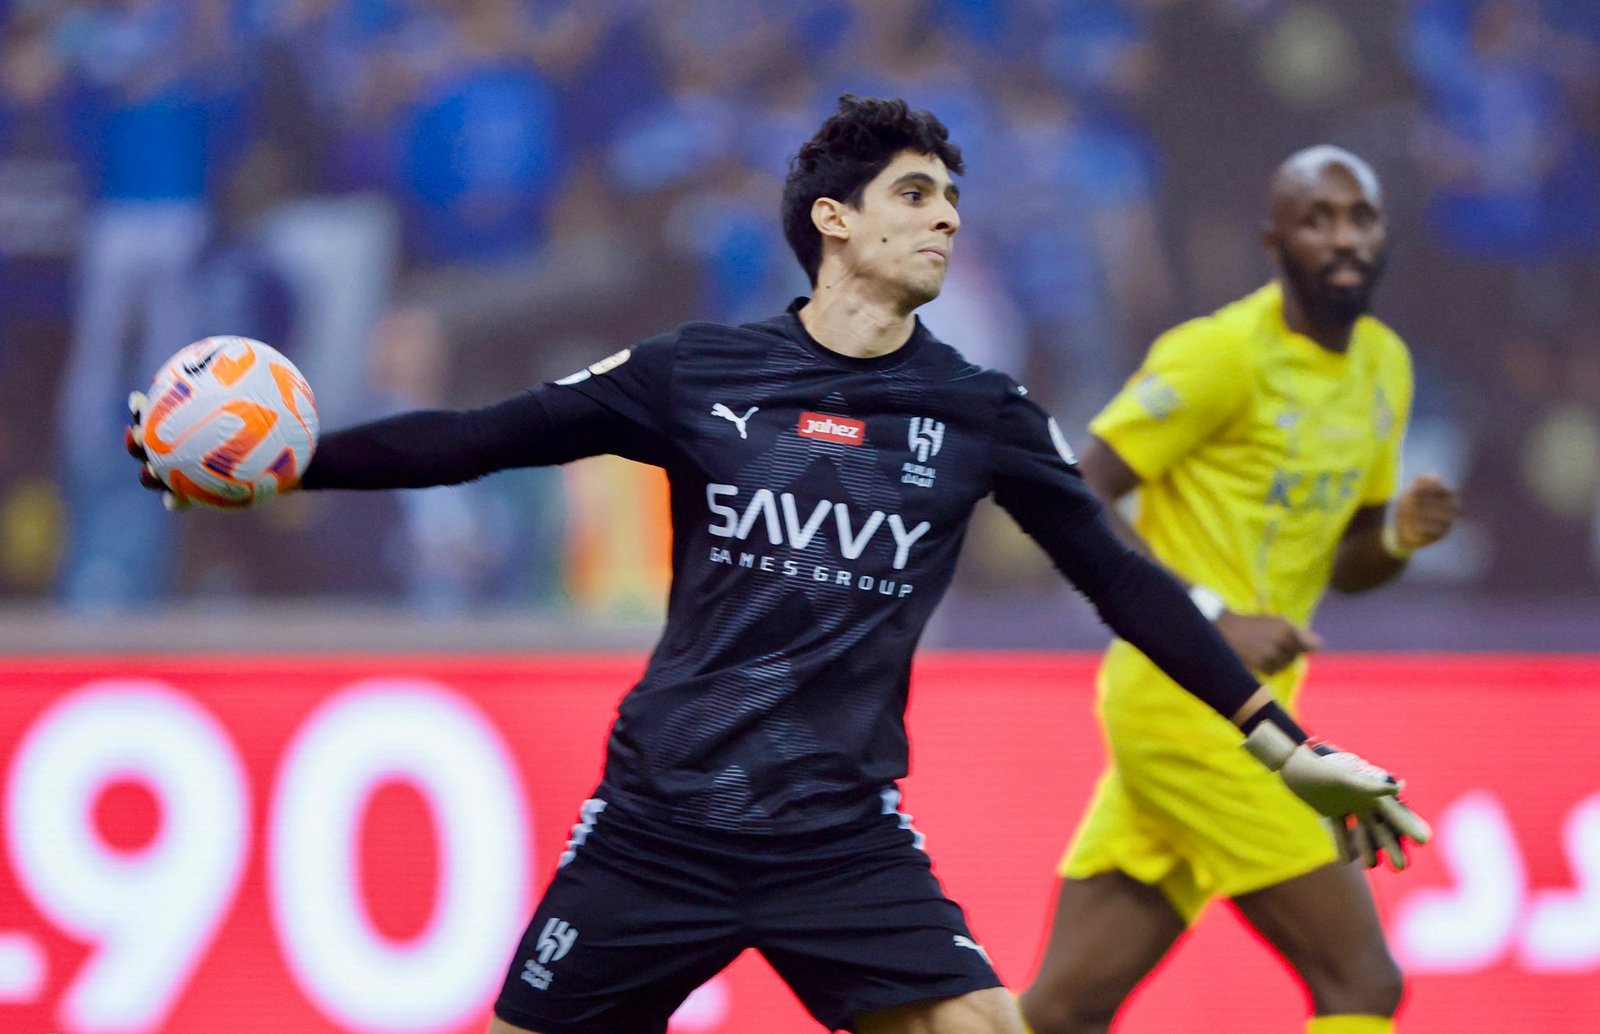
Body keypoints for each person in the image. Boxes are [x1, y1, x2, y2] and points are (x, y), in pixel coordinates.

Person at [129, 100, 1424, 1034]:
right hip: (659, 822)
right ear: (833, 219)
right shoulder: (695, 372)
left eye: (952, 197)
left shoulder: (979, 411)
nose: (947, 216)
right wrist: (288, 464)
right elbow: (476, 438)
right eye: (915, 194)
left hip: (838, 834)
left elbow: (1122, 580)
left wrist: (1280, 743)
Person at [1019, 146, 1460, 1034]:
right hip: (1194, 710)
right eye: (1317, 219)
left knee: (1064, 1010)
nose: (1344, 237)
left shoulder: (1384, 366)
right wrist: (1214, 615)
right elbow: (1072, 493)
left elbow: (1350, 565)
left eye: (1361, 217)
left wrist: (1398, 539)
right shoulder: (1219, 356)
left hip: (1242, 707)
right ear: (1274, 241)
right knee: (1362, 982)